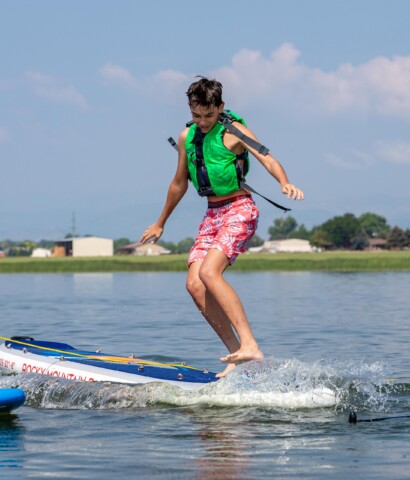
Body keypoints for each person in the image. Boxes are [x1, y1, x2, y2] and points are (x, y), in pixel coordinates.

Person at [140, 76, 304, 377]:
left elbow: (266, 157)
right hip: (212, 214)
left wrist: (284, 181)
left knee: (208, 272)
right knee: (193, 283)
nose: (202, 121)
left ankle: (250, 344)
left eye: (209, 115)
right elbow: (179, 183)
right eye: (196, 115)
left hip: (239, 209)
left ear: (220, 107)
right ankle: (236, 354)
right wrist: (160, 222)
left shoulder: (234, 131)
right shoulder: (186, 137)